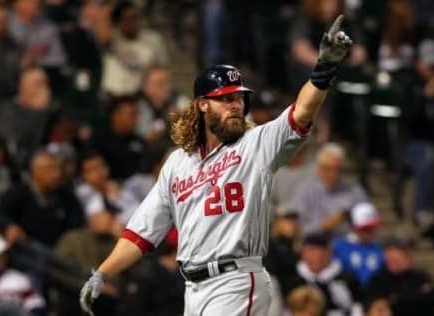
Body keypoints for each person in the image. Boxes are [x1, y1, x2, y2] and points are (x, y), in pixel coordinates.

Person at [80, 15, 352, 316]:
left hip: (236, 279)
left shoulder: (256, 144)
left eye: (238, 97)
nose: (235, 104)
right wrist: (103, 272)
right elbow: (141, 233)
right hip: (194, 288)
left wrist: (323, 71)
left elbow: (300, 112)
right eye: (225, 99)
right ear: (202, 104)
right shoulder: (178, 163)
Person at [333, 202, 385, 286]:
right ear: (353, 227)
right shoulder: (339, 247)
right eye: (365, 229)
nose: (369, 232)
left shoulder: (379, 248)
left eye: (372, 228)